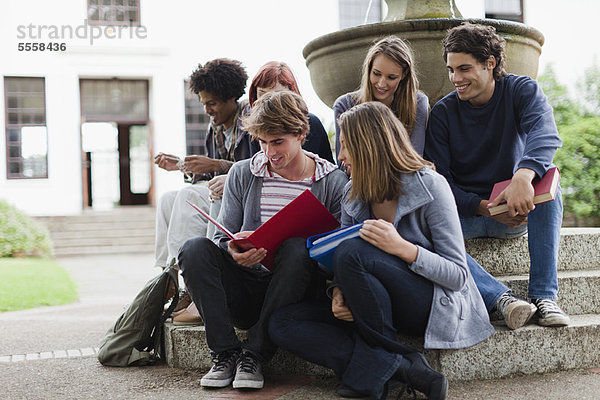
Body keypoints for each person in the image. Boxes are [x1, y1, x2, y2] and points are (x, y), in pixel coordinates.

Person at [269, 102, 493, 400]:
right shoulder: (354, 194)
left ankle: (373, 374)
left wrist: (402, 248)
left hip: (430, 303)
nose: (341, 156)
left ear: (370, 145)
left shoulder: (432, 187)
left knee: (352, 250)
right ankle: (403, 366)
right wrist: (339, 292)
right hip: (370, 303)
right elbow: (341, 265)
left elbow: (457, 276)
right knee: (282, 323)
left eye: (347, 146)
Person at [177, 90, 348, 390]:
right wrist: (233, 250)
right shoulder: (244, 173)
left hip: (294, 295)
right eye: (263, 142)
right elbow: (220, 237)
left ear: (302, 134)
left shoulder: (331, 182)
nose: (270, 152)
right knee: (193, 249)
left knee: (297, 248)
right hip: (246, 289)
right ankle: (225, 354)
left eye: (278, 141)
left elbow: (340, 252)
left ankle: (255, 354)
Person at [425, 22, 570, 328]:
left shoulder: (521, 90)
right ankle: (501, 300)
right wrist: (484, 207)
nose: (456, 79)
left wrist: (523, 177)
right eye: (451, 70)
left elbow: (545, 134)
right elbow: (440, 183)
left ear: (489, 63)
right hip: (466, 215)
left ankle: (544, 297)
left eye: (464, 69)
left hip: (517, 209)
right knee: (417, 228)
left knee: (554, 194)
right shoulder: (442, 114)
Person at [153, 58, 251, 324]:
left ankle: (192, 286)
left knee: (186, 196)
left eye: (213, 103)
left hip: (242, 200)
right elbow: (209, 175)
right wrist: (181, 166)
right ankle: (168, 278)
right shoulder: (215, 129)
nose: (208, 110)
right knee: (166, 200)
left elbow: (256, 168)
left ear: (232, 97)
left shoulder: (250, 121)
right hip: (218, 194)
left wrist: (218, 165)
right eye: (204, 103)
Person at [333, 36, 429, 160]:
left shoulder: (417, 102)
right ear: (369, 69)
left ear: (404, 74)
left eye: (391, 77)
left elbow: (414, 158)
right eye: (376, 74)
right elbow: (343, 163)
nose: (381, 84)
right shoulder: (345, 105)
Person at [247, 61, 334, 162]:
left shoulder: (311, 123)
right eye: (263, 94)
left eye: (278, 95)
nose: (270, 102)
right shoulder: (256, 129)